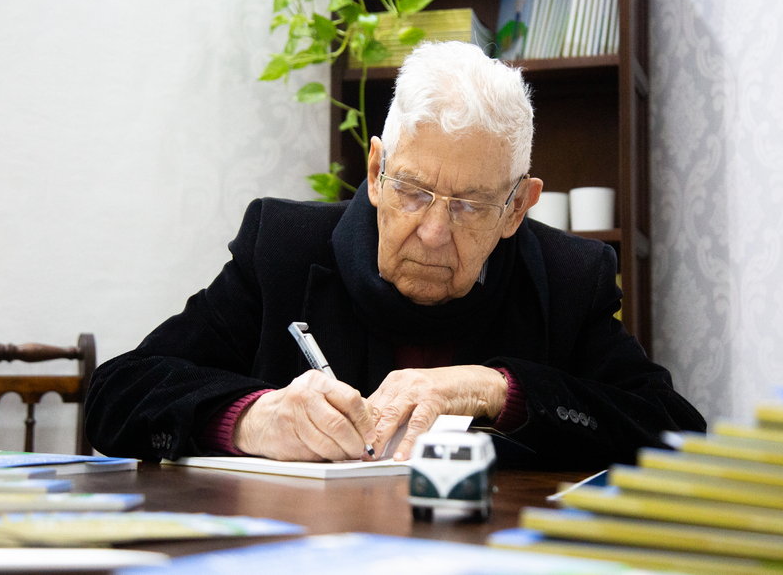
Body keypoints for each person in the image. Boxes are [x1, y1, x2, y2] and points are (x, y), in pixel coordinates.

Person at [85, 41, 705, 469]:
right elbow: (117, 393)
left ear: (517, 208)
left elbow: (676, 432)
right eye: (412, 191)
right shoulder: (283, 248)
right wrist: (252, 417)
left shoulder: (570, 279)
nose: (434, 232)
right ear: (377, 171)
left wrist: (499, 389)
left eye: (469, 205)